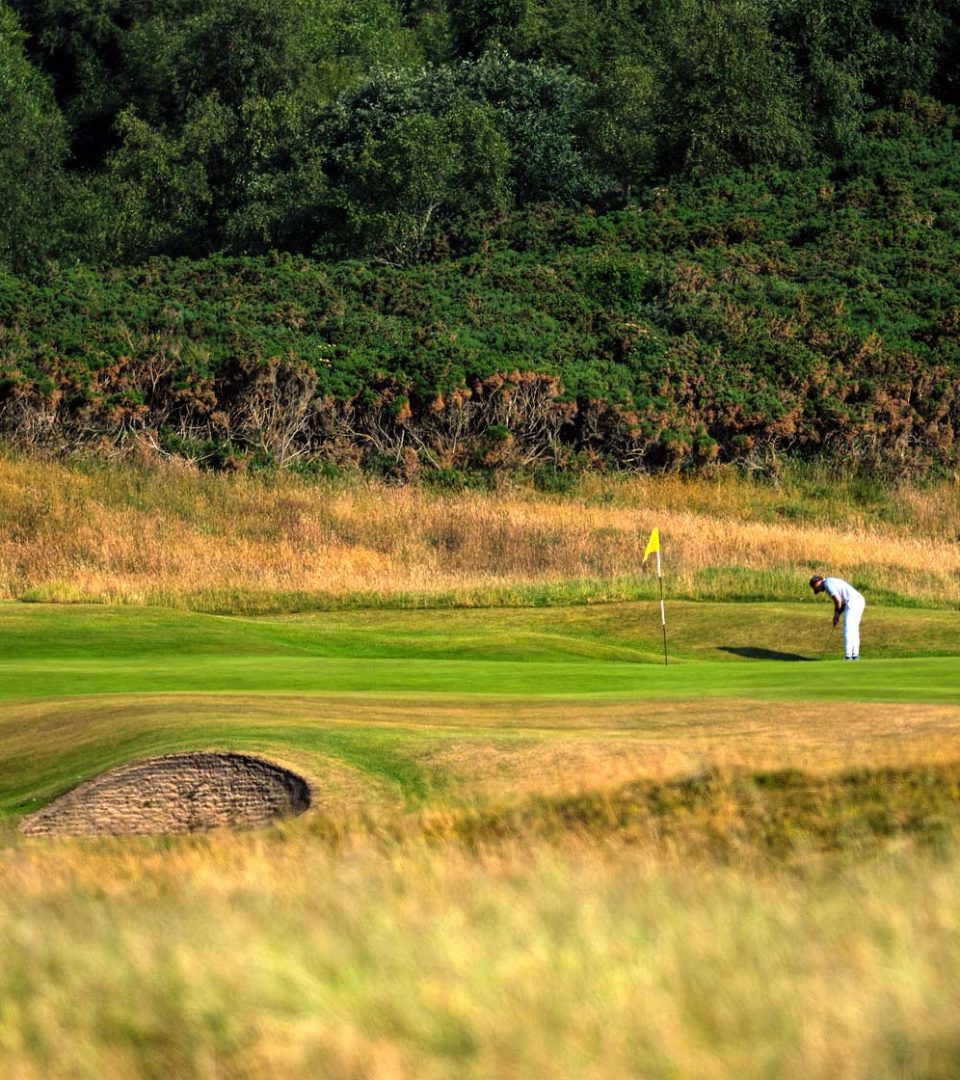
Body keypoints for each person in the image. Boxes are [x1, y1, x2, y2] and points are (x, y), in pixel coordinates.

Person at [809, 575, 866, 660]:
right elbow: (841, 604)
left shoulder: (828, 584)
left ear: (818, 582)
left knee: (848, 628)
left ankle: (848, 656)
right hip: (859, 600)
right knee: (853, 629)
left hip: (852, 602)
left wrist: (836, 615)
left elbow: (838, 601)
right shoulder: (830, 581)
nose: (818, 590)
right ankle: (855, 655)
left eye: (816, 588)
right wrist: (837, 615)